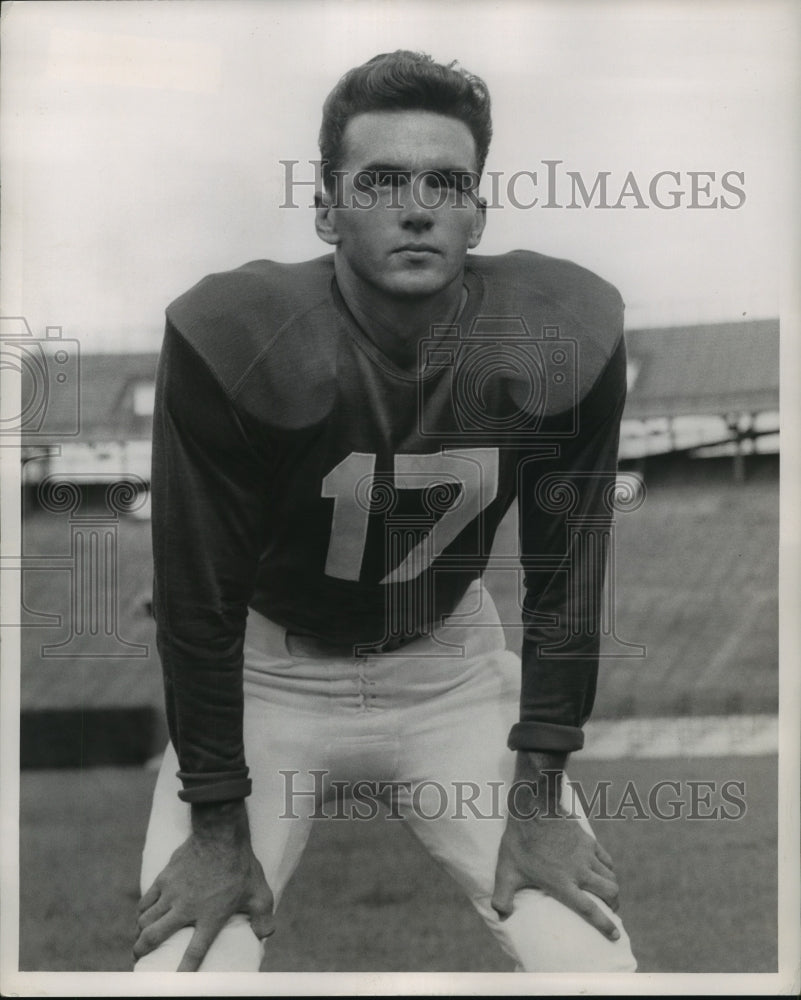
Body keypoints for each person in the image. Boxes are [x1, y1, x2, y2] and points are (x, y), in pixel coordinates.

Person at [133, 50, 637, 973]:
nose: (417, 205)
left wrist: (540, 803)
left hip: (447, 673)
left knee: (590, 961)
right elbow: (195, 603)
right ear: (326, 207)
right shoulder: (240, 340)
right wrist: (215, 828)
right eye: (381, 181)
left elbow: (566, 583)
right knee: (185, 972)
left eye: (446, 181)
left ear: (478, 210)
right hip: (267, 677)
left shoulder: (559, 334)